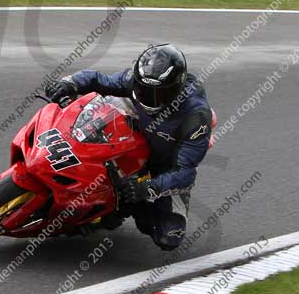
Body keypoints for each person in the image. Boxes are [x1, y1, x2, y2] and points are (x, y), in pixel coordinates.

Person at [45, 44, 213, 251]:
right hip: (133, 137)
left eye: (158, 93)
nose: (146, 97)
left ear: (176, 88)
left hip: (164, 166)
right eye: (143, 89)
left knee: (169, 237)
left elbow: (185, 173)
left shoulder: (195, 116)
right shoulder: (135, 80)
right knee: (102, 102)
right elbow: (99, 80)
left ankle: (123, 207)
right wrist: (69, 83)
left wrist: (146, 188)